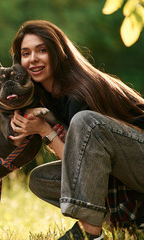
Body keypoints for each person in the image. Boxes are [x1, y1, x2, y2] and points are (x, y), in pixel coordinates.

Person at [8, 20, 144, 240]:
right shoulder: (50, 99)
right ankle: (132, 221)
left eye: (42, 50)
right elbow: (84, 164)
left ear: (58, 53)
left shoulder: (79, 90)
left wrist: (45, 131)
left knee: (86, 121)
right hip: (125, 172)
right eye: (25, 53)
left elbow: (81, 162)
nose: (33, 59)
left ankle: (89, 231)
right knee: (40, 179)